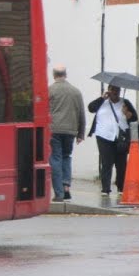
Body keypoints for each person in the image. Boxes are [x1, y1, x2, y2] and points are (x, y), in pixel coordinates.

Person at [87, 84, 138, 198]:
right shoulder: (102, 102)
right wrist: (102, 98)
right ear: (108, 90)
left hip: (120, 137)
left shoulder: (125, 102)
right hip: (103, 136)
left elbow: (134, 118)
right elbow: (90, 108)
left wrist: (127, 113)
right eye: (113, 90)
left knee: (121, 163)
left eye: (117, 90)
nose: (115, 92)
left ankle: (121, 187)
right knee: (106, 162)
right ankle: (105, 188)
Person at [47, 65, 86, 201]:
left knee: (55, 158)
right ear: (66, 74)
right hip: (70, 130)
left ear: (54, 75)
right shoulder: (75, 91)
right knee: (66, 156)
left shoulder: (49, 90)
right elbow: (81, 113)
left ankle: (59, 193)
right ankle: (66, 186)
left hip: (54, 129)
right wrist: (81, 133)